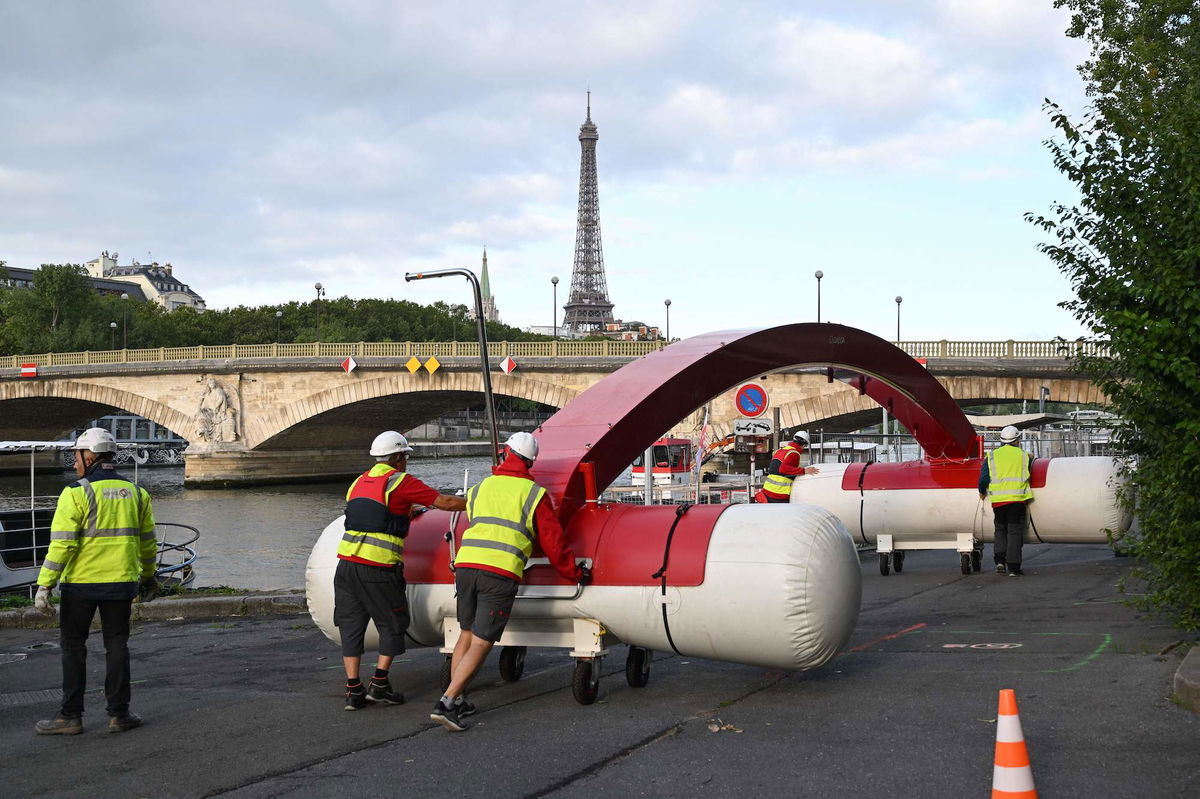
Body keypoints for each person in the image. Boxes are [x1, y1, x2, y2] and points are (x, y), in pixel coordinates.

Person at [431, 432, 590, 732]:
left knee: (465, 635)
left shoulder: (480, 488)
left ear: (506, 453)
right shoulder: (533, 494)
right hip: (499, 571)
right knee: (482, 640)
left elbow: (479, 521)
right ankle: (447, 702)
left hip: (465, 567)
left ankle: (459, 697)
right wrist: (575, 573)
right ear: (531, 462)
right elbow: (554, 543)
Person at [33, 427, 157, 735]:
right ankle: (119, 714)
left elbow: (62, 544)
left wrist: (45, 585)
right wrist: (149, 577)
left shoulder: (76, 493)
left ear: (89, 457)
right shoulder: (137, 494)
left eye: (76, 456)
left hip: (81, 585)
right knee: (117, 645)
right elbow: (147, 543)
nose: (75, 462)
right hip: (121, 583)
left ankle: (70, 717)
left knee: (73, 647)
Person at [335, 431, 466, 711]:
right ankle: (380, 685)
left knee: (351, 625)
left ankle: (353, 689)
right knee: (393, 624)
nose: (406, 461)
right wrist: (477, 503)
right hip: (379, 568)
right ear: (396, 458)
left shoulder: (358, 482)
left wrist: (407, 513)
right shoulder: (400, 481)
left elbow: (374, 515)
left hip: (346, 566)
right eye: (404, 456)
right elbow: (444, 503)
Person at [979, 426, 1035, 576]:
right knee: (1014, 532)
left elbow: (984, 478)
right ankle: (1014, 568)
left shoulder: (991, 456)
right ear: (1017, 440)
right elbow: (1029, 472)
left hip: (998, 501)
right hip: (1017, 500)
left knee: (1000, 529)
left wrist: (981, 492)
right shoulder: (1024, 456)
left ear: (1002, 441)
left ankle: (999, 561)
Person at [755, 430, 821, 503]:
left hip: (768, 490)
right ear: (804, 445)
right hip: (779, 494)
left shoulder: (781, 451)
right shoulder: (794, 453)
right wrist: (804, 471)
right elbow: (783, 469)